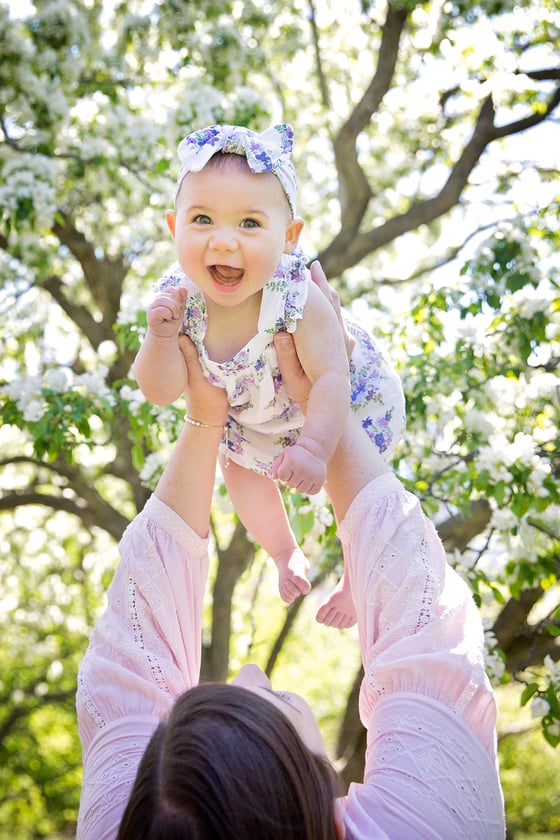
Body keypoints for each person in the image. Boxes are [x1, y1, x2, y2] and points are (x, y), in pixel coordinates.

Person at [77, 265, 506, 839]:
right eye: (268, 700)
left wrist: (207, 417)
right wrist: (320, 395)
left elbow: (137, 630)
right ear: (299, 793)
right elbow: (417, 603)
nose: (251, 670)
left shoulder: (141, 821)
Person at [133, 122, 405, 628]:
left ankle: (353, 574)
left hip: (335, 409)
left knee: (348, 482)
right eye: (203, 219)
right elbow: (161, 389)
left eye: (250, 224)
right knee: (234, 464)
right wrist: (161, 339)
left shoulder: (294, 294)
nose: (223, 241)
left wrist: (315, 448)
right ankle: (283, 551)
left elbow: (329, 376)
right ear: (175, 228)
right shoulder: (178, 299)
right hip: (252, 420)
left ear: (290, 237)